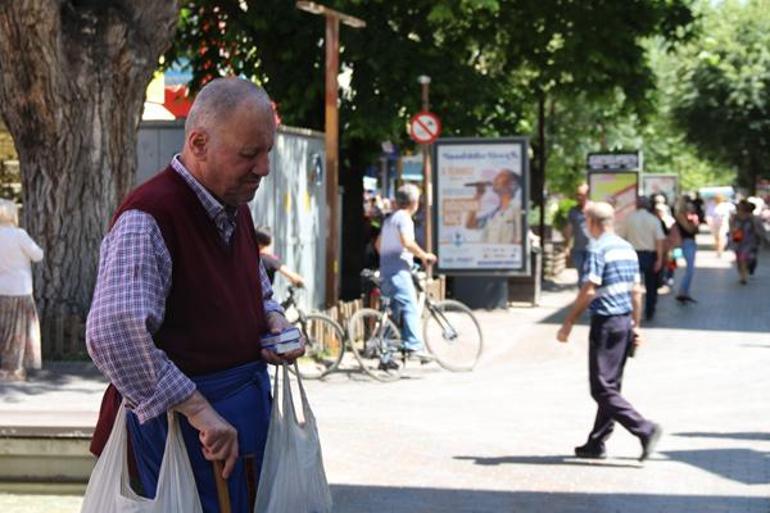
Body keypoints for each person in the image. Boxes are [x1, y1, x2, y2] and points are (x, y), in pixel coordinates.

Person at [86, 78, 304, 512]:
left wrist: (274, 322)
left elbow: (255, 290)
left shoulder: (234, 206)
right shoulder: (149, 217)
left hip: (233, 430)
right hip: (183, 438)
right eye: (249, 154)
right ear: (199, 143)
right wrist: (199, 410)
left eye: (267, 152)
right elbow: (114, 335)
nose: (263, 168)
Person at [557, 202, 661, 462]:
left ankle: (645, 429)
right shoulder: (627, 249)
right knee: (611, 385)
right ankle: (596, 443)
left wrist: (569, 321)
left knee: (601, 389)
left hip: (605, 324)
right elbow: (637, 291)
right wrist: (636, 325)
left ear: (592, 222)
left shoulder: (597, 248)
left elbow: (590, 289)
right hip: (624, 322)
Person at [378, 184, 436, 366]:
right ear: (414, 202)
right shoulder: (404, 218)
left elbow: (378, 244)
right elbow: (407, 242)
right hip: (398, 271)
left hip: (386, 271)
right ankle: (415, 346)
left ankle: (385, 355)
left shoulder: (389, 219)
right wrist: (424, 255)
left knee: (393, 313)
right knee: (409, 305)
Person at [0, 199, 44, 382]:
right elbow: (38, 255)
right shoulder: (19, 235)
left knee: (3, 329)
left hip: (1, 288)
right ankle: (13, 370)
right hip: (19, 288)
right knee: (18, 332)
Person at [618, 197, 665, 320]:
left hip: (632, 255)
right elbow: (659, 241)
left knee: (632, 286)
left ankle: (631, 311)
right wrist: (659, 259)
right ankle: (650, 311)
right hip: (650, 255)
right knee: (651, 287)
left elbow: (622, 238)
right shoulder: (654, 220)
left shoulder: (629, 219)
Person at [465, 169, 522, 244]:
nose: (495, 179)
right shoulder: (494, 214)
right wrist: (478, 196)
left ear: (512, 184)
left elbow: (520, 240)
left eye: (501, 176)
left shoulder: (517, 208)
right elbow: (470, 224)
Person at [674, 196, 700, 304]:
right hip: (686, 242)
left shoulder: (690, 216)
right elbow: (689, 229)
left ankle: (686, 292)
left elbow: (695, 230)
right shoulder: (681, 215)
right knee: (690, 269)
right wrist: (693, 223)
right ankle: (682, 292)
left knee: (690, 269)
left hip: (691, 242)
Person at [564, 183, 591, 284]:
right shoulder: (573, 211)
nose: (578, 197)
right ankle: (583, 297)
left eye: (581, 194)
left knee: (590, 276)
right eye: (577, 194)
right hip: (578, 249)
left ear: (587, 194)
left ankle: (589, 298)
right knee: (581, 276)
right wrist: (567, 246)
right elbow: (569, 229)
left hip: (592, 248)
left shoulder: (593, 209)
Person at [729, 200, 762, 284]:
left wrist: (758, 238)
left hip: (748, 241)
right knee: (738, 259)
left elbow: (756, 229)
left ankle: (744, 277)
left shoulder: (752, 217)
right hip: (737, 240)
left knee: (743, 258)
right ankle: (742, 273)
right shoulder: (734, 217)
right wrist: (733, 231)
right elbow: (731, 227)